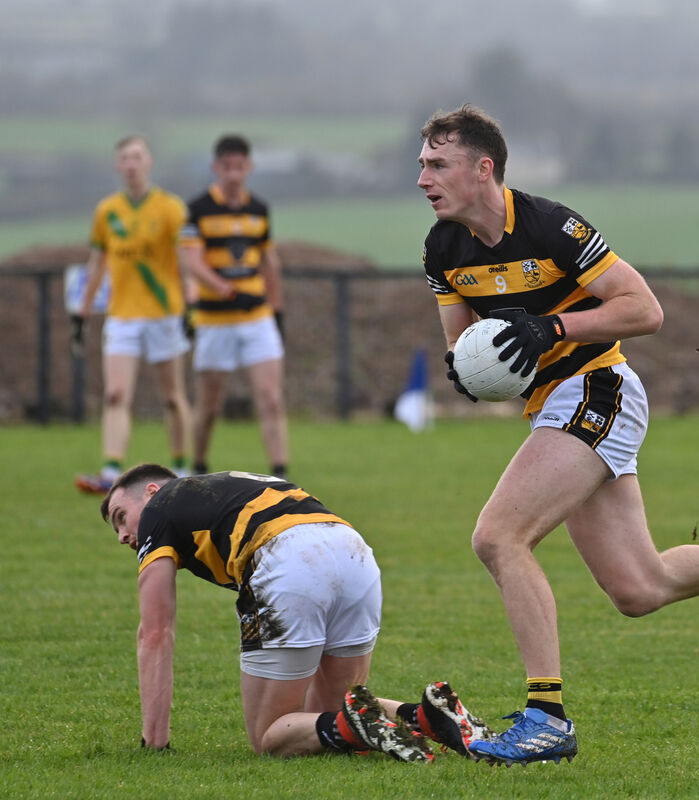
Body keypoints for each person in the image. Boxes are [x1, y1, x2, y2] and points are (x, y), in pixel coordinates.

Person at [417, 104, 699, 765]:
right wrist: (468, 371)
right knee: (640, 589)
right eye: (422, 165)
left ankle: (547, 718)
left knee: (498, 537)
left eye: (438, 164)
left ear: (483, 169)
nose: (423, 178)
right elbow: (462, 343)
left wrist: (553, 328)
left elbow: (645, 309)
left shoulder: (551, 226)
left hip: (598, 389)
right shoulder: (443, 248)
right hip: (552, 405)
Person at [100, 463, 494, 759]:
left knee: (269, 735)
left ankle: (360, 724)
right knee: (328, 715)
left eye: (121, 517)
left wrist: (155, 742)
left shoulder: (160, 508)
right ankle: (424, 716)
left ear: (151, 491)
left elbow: (155, 632)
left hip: (286, 559)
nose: (122, 535)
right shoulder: (227, 484)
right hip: (352, 551)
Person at [73, 135, 192, 494]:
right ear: (117, 165)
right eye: (125, 158)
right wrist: (82, 312)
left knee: (172, 396)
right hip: (122, 316)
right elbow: (97, 264)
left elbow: (186, 261)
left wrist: (192, 304)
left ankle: (180, 467)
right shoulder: (107, 211)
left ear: (148, 162)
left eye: (137, 157)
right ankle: (111, 471)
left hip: (163, 314)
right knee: (115, 394)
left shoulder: (170, 208)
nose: (131, 164)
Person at [180, 134, 288, 479]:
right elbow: (193, 264)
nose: (233, 174)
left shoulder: (259, 209)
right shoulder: (197, 209)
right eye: (227, 167)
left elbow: (269, 263)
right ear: (216, 167)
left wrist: (277, 310)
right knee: (210, 405)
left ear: (249, 167)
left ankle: (281, 474)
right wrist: (228, 292)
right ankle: (198, 467)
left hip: (256, 318)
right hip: (214, 320)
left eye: (239, 167)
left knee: (270, 397)